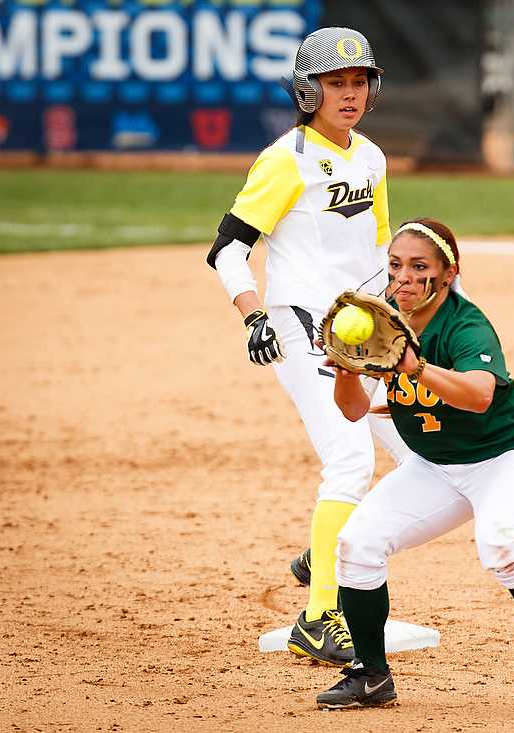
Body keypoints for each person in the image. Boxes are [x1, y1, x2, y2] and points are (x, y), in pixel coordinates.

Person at [313, 218, 514, 709]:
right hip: (436, 466)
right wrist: (346, 369)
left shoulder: (465, 323)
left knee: (501, 545)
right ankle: (371, 674)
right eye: (395, 266)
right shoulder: (381, 322)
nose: (403, 277)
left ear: (447, 274)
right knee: (357, 544)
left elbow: (477, 396)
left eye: (418, 267)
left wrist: (417, 368)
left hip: (506, 456)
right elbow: (352, 410)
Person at [205, 26, 411, 667]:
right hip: (298, 327)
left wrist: (398, 314)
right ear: (307, 89)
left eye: (358, 82)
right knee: (350, 463)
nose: (348, 94)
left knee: (425, 458)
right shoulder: (286, 158)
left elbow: (377, 254)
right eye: (334, 82)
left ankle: (324, 550)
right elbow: (228, 249)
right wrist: (251, 316)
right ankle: (321, 617)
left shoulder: (372, 158)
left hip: (360, 335)